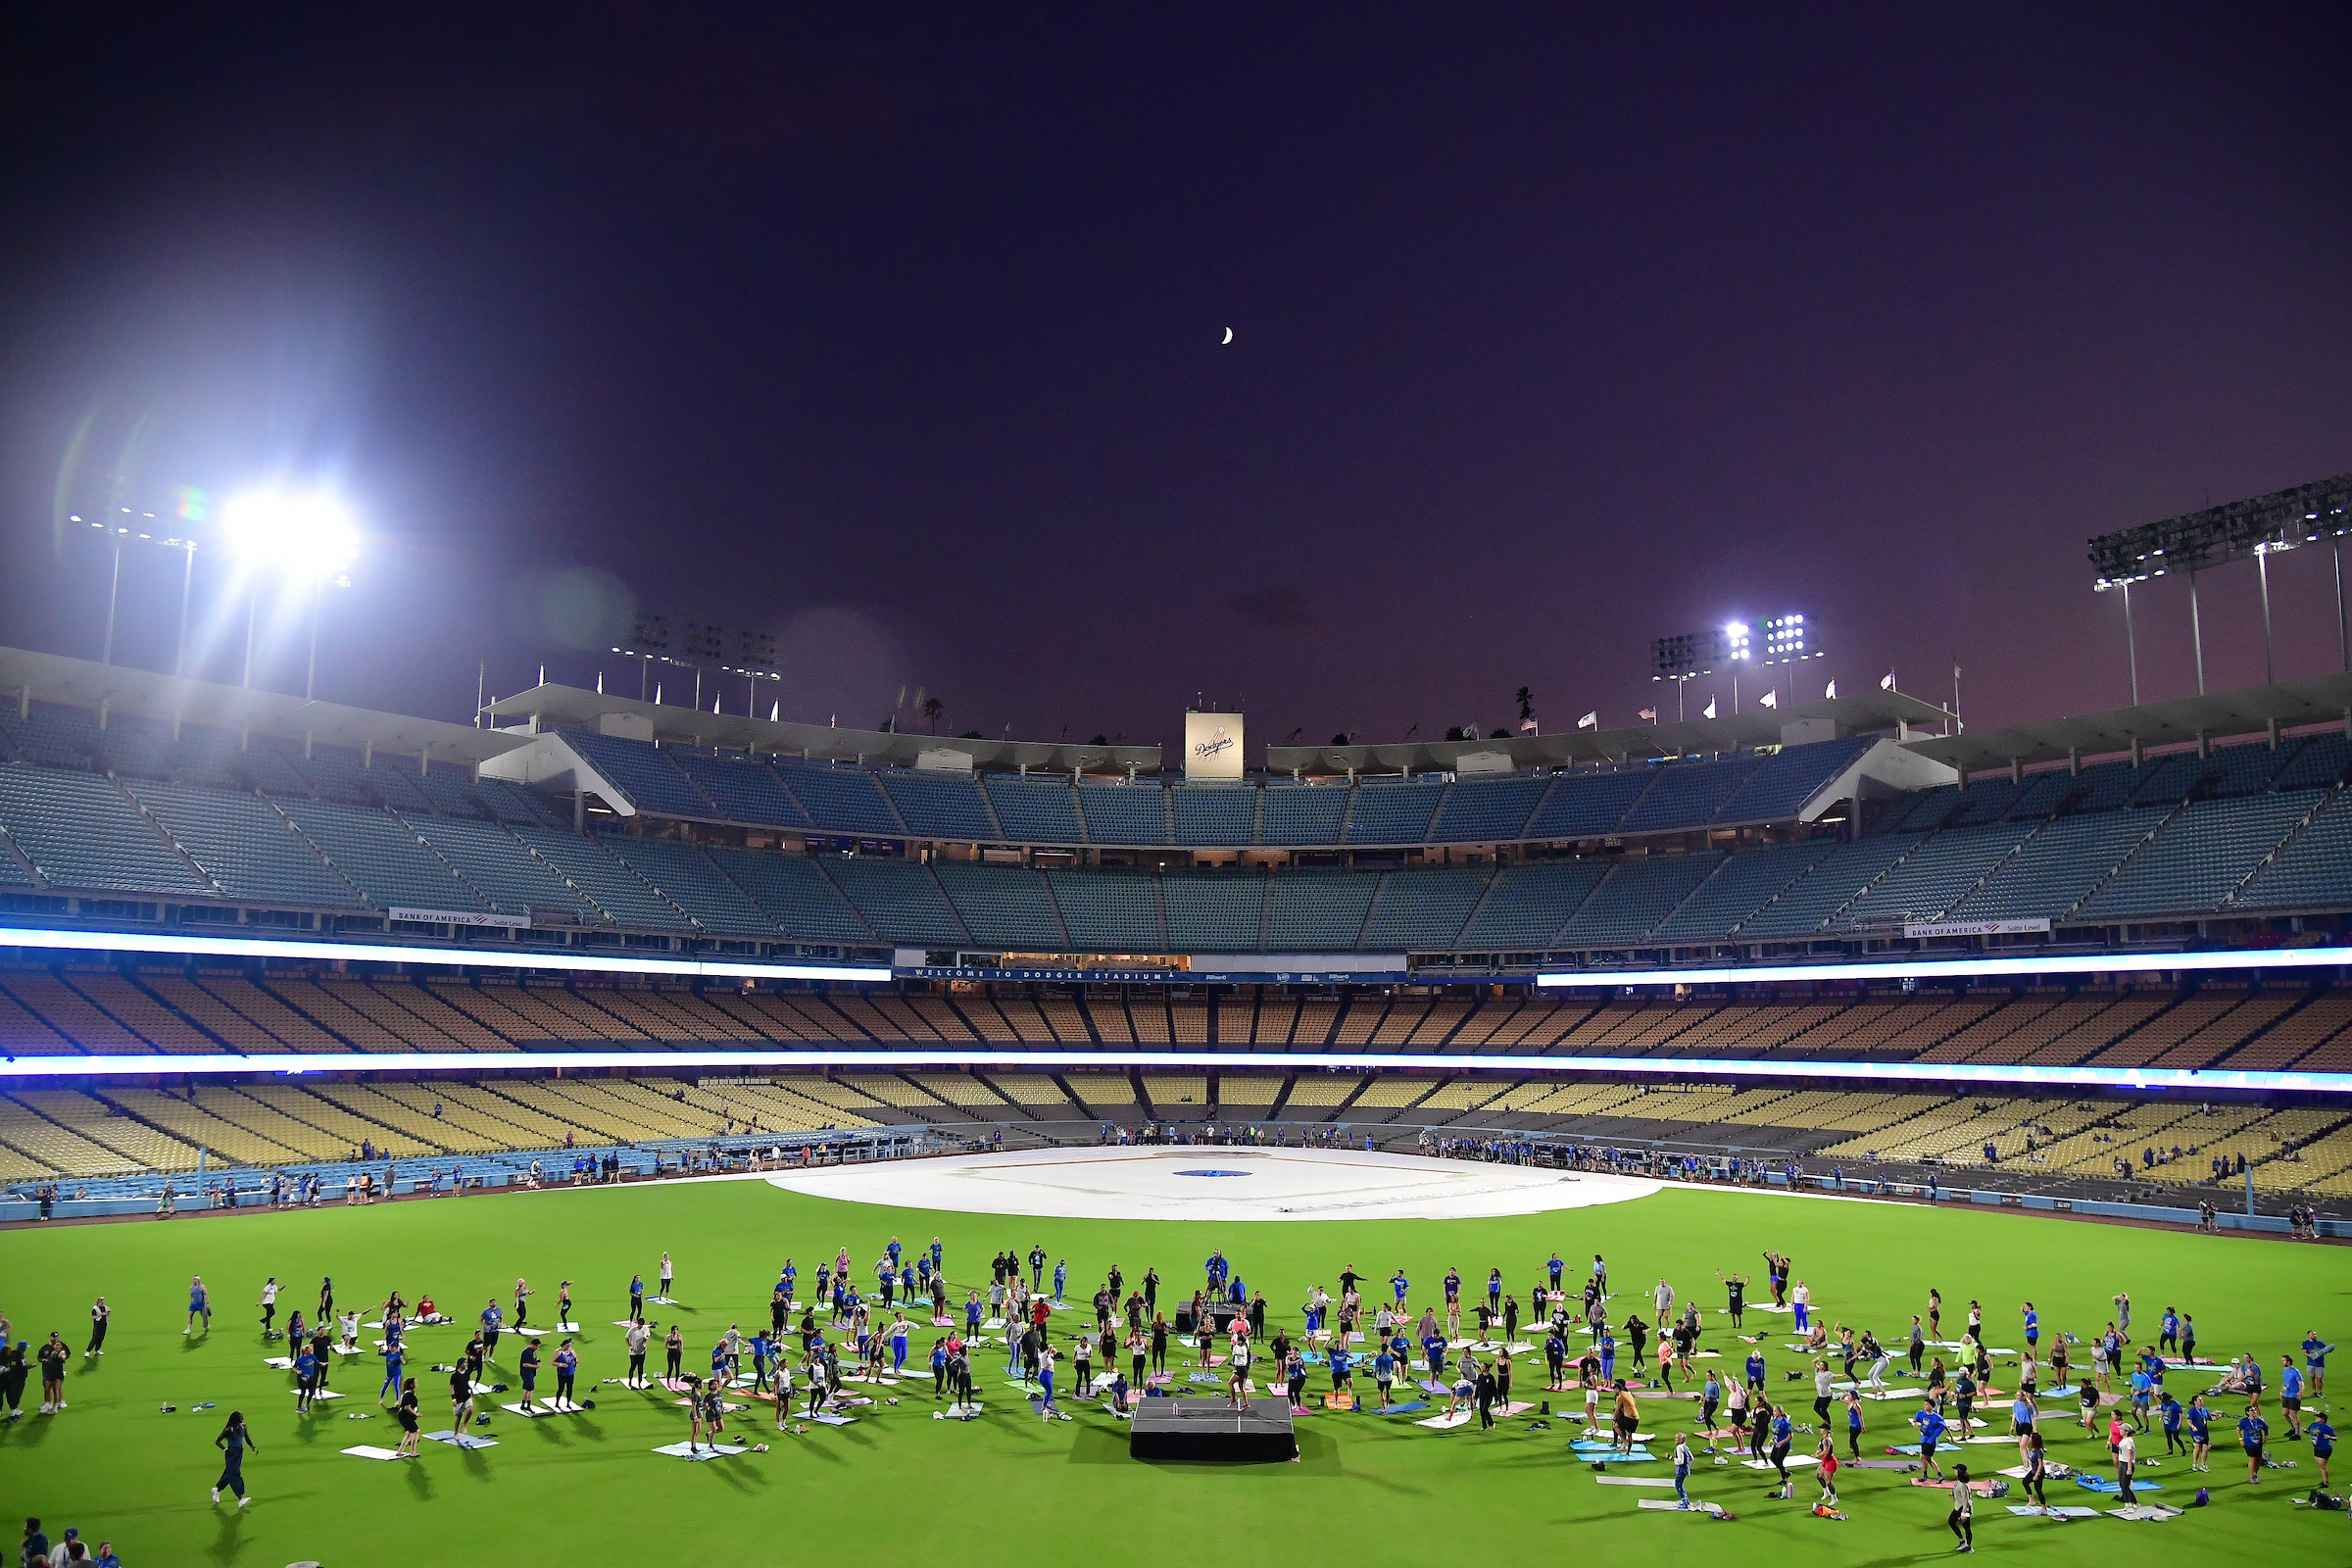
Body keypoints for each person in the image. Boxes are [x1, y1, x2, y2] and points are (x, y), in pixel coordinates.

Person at [212, 1410, 256, 1507]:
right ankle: (240, 1497)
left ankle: (217, 1489)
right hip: (231, 1454)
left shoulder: (243, 1427)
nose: (243, 1419)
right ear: (236, 1419)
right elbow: (217, 1441)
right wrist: (226, 1449)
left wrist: (253, 1447)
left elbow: (247, 1438)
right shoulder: (229, 1430)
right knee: (235, 1474)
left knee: (229, 1473)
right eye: (241, 1417)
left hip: (239, 1453)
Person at [36, 1333, 67, 1415]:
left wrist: (63, 1357)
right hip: (49, 1372)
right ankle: (48, 1404)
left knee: (56, 1389)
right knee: (47, 1388)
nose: (57, 1346)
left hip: (57, 1373)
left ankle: (56, 1406)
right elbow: (40, 1358)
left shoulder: (61, 1353)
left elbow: (63, 1357)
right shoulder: (49, 1351)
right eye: (56, 1345)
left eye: (59, 1345)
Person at [1947, 1462, 1973, 1552]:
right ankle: (1962, 1541)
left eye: (1956, 1470)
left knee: (1967, 1528)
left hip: (1964, 1508)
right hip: (1959, 1506)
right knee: (1951, 1521)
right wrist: (1953, 1494)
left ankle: (1969, 1546)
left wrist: (1964, 1514)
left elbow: (1965, 1499)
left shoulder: (1963, 1484)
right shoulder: (1959, 1481)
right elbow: (1957, 1490)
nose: (1955, 1471)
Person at [2238, 1403, 2268, 1484]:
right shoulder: (2244, 1421)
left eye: (2255, 1410)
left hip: (2258, 1444)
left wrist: (2265, 1437)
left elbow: (2265, 1429)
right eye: (2252, 1410)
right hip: (2249, 1443)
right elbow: (2238, 1429)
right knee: (2252, 1459)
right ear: (2248, 1413)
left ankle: (2255, 1474)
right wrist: (2241, 1439)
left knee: (2257, 1460)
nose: (2254, 1411)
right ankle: (2251, 1476)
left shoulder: (2259, 1421)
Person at [394, 1377, 421, 1456]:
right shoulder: (409, 1394)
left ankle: (400, 1451)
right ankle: (412, 1452)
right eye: (415, 1382)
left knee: (409, 1433)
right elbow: (407, 1407)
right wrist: (415, 1414)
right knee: (416, 1431)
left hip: (403, 1415)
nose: (417, 1383)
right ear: (412, 1385)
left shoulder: (407, 1393)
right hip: (405, 1416)